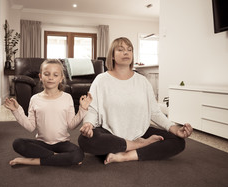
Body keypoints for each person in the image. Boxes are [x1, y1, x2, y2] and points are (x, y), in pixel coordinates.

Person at [79, 37, 193, 165]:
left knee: (178, 141)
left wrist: (175, 128)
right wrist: (88, 124)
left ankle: (127, 155)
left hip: (140, 132)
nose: (126, 52)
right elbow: (93, 110)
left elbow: (155, 112)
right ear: (112, 55)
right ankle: (137, 145)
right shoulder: (101, 80)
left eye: (129, 50)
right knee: (85, 140)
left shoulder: (142, 81)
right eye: (120, 50)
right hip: (110, 133)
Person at [5, 59, 92, 166]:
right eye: (47, 74)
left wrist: (82, 110)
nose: (51, 77)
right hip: (42, 144)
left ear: (61, 78)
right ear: (40, 77)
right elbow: (30, 126)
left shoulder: (67, 98)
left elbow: (72, 125)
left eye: (55, 75)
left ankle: (34, 161)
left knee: (78, 154)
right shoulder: (35, 99)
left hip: (62, 144)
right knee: (17, 143)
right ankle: (58, 158)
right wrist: (16, 110)